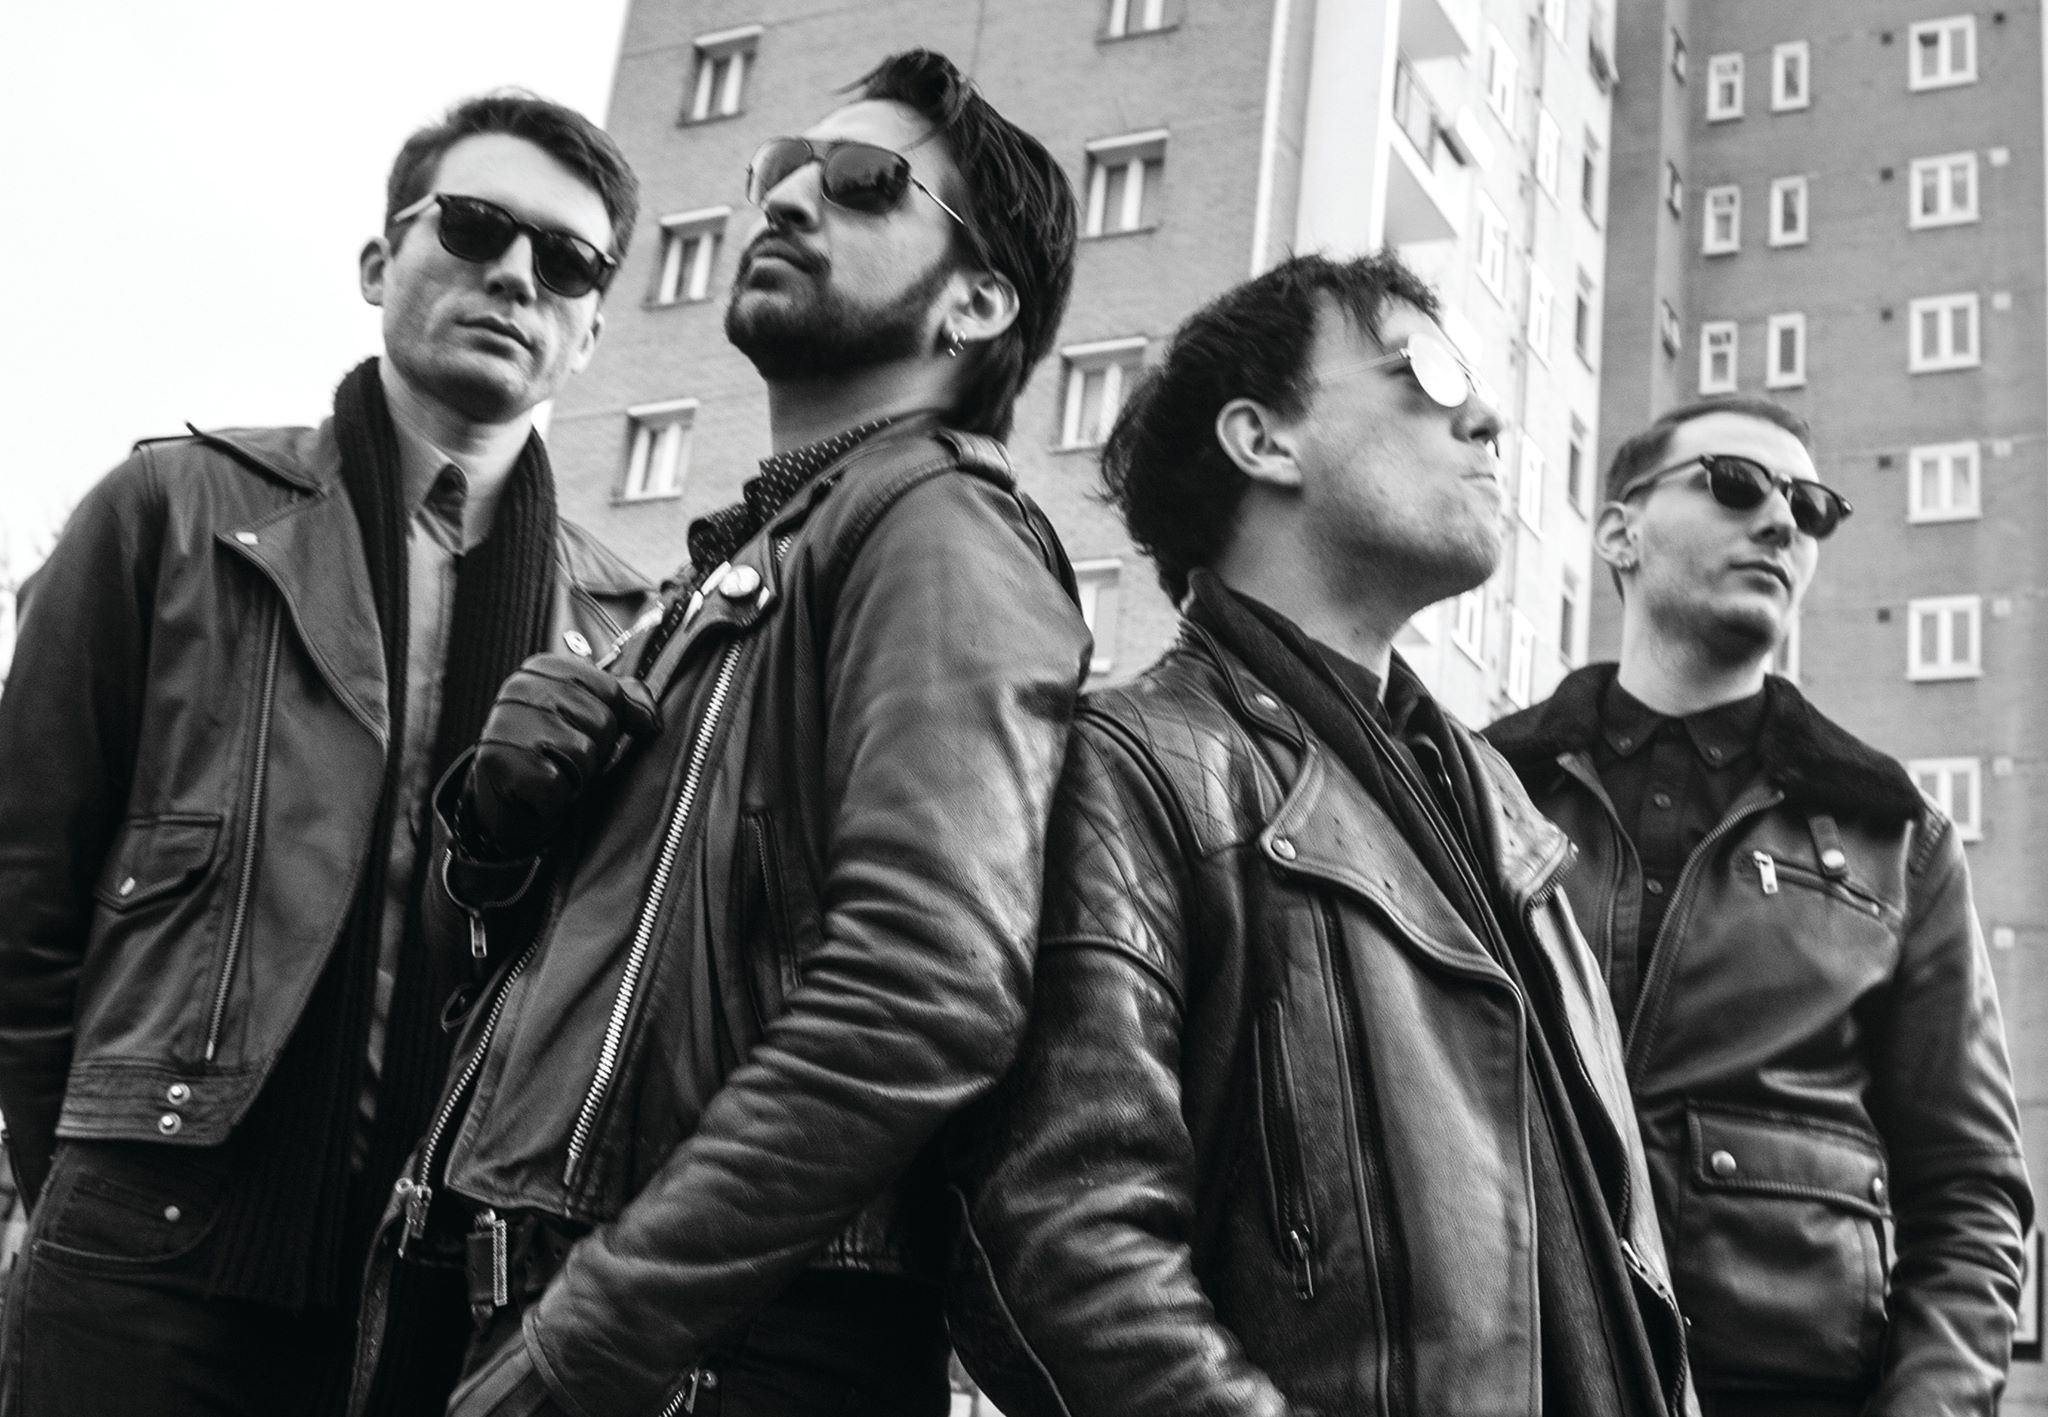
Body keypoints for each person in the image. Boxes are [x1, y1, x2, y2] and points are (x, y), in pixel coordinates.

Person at [389, 49, 1088, 1417]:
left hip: (699, 1359)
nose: (786, 199)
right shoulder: (726, 576)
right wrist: (496, 844)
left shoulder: (940, 524)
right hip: (555, 1316)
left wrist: (589, 1339)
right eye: (779, 169)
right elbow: (559, 1005)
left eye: (863, 181)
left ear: (978, 300)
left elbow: (926, 991)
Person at [946, 251, 1691, 1417]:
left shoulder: (1503, 813)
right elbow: (1065, 1243)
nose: (1485, 419)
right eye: (1423, 374)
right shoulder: (1132, 767)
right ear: (1263, 438)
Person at [0, 93, 653, 1416]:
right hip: (147, 1257)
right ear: (376, 262)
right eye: (472, 227)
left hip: (442, 1295)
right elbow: (24, 880)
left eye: (567, 260)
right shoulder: (172, 512)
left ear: (588, 331)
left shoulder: (625, 632)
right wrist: (77, 1179)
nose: (514, 275)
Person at [1486, 395, 2032, 1416]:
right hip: (1508, 1378)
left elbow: (1969, 1190)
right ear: (1619, 532)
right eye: (1736, 485)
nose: (1781, 520)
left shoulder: (1894, 834)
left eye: (1810, 507)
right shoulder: (1475, 791)